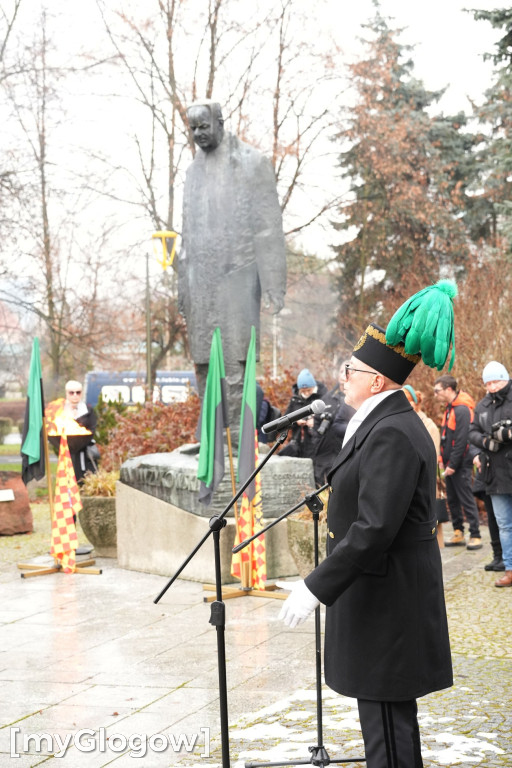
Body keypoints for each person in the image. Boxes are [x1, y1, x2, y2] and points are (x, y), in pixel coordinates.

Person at [279, 280, 455, 768]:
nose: (344, 376)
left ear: (377, 380)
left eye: (351, 370)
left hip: (388, 603)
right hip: (380, 597)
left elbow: (375, 527)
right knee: (381, 724)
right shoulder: (386, 423)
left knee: (389, 734)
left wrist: (317, 586)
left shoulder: (393, 431)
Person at [178, 100, 286, 437]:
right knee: (203, 359)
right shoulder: (193, 172)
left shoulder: (252, 163)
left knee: (235, 360)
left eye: (203, 127)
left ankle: (239, 435)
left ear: (220, 123)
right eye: (193, 129)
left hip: (237, 276)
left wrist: (273, 284)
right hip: (201, 282)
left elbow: (269, 226)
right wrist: (184, 287)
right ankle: (210, 436)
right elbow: (187, 232)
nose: (198, 135)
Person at [469, 361, 512, 587]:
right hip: (494, 473)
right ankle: (510, 568)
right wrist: (485, 441)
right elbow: (472, 431)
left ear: (505, 378)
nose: (493, 387)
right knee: (504, 524)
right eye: (489, 383)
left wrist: (508, 433)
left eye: (496, 381)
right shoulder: (483, 405)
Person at [434, 374, 482, 549]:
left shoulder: (461, 409)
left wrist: (453, 465)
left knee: (466, 499)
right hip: (449, 464)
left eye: (437, 390)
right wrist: (441, 458)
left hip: (460, 464)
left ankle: (476, 534)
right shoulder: (450, 407)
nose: (435, 394)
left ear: (448, 389)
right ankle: (458, 531)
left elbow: (462, 440)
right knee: (452, 500)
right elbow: (446, 436)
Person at [403, 384, 445, 547]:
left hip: (424, 480)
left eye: (408, 401)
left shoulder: (429, 426)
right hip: (406, 481)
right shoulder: (403, 421)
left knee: (429, 524)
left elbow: (430, 457)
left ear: (416, 402)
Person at [312, 362, 355, 486]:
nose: (343, 375)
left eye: (347, 371)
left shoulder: (356, 398)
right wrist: (317, 440)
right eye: (341, 371)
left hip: (345, 453)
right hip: (323, 452)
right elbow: (316, 421)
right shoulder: (327, 398)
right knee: (320, 488)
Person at [278, 368, 328, 471]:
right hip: (297, 443)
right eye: (303, 391)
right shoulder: (295, 400)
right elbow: (285, 420)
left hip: (316, 444)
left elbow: (329, 417)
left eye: (308, 390)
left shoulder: (323, 398)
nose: (306, 393)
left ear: (313, 387)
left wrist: (315, 422)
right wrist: (296, 421)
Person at [64, 380, 98, 483]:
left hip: (85, 451)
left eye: (78, 392)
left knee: (86, 479)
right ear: (67, 393)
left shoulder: (88, 410)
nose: (75, 395)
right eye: (71, 392)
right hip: (68, 451)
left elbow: (92, 429)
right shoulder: (61, 411)